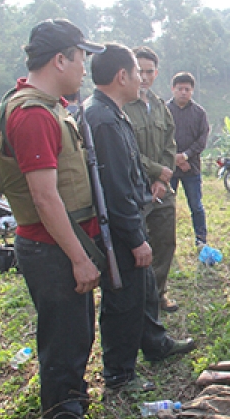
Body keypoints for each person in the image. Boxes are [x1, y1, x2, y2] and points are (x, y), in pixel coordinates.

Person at [0, 19, 104, 418]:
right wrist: (78, 257)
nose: (83, 69)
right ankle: (62, 406)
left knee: (74, 331)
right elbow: (44, 196)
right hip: (51, 246)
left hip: (60, 241)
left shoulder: (48, 108)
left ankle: (70, 394)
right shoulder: (34, 115)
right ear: (60, 60)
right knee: (63, 337)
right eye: (81, 59)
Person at [84, 43, 155, 391]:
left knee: (137, 294)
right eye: (138, 73)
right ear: (122, 76)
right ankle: (119, 374)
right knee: (123, 301)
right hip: (118, 230)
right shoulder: (104, 120)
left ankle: (149, 347)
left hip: (125, 222)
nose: (142, 80)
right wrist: (136, 237)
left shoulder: (110, 113)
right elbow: (115, 188)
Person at [123, 46, 179, 312]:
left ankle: (157, 294)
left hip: (160, 189)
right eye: (139, 71)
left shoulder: (159, 106)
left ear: (156, 73)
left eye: (149, 72)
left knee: (165, 242)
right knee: (135, 246)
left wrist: (162, 178)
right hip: (132, 189)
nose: (144, 77)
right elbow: (126, 149)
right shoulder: (122, 105)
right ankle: (136, 299)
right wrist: (156, 171)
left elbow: (170, 144)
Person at [167, 72, 209, 246]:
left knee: (196, 206)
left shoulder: (199, 113)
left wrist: (185, 156)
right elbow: (160, 138)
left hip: (191, 168)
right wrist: (175, 158)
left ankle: (201, 240)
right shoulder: (164, 111)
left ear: (192, 91)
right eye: (180, 89)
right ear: (173, 89)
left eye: (187, 89)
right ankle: (166, 242)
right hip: (167, 169)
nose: (183, 92)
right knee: (166, 208)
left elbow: (202, 140)